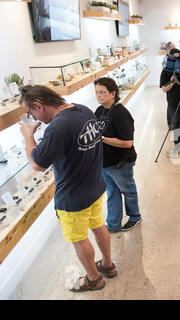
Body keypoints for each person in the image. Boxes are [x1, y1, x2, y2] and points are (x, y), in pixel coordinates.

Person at [18, 85, 117, 292]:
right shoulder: (83, 110)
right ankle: (108, 265)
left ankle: (93, 279)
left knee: (79, 239)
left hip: (73, 197)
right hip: (94, 186)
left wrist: (28, 136)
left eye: (31, 112)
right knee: (98, 225)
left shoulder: (57, 127)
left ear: (39, 105)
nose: (33, 117)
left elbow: (38, 163)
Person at [94, 77, 142, 233]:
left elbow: (127, 142)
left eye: (102, 92)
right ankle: (113, 224)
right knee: (112, 192)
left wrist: (102, 139)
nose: (99, 95)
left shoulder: (121, 113)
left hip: (120, 162)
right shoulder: (99, 110)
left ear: (113, 93)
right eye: (96, 92)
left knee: (128, 190)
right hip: (104, 162)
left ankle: (135, 216)